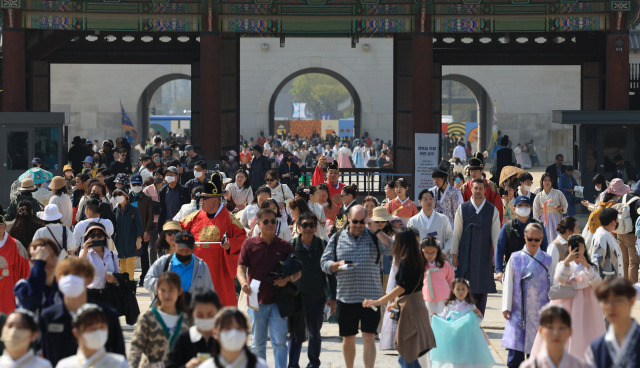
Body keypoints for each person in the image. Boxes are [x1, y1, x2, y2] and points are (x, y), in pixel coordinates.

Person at [320, 205, 392, 368]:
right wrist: (337, 264)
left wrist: (376, 229)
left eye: (362, 221)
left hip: (371, 298)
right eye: (355, 221)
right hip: (346, 297)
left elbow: (393, 248)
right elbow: (324, 262)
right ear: (348, 219)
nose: (358, 225)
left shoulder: (374, 237)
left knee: (368, 337)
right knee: (348, 337)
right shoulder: (337, 237)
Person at [363, 229, 436, 368]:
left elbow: (402, 287)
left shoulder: (406, 260)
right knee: (410, 355)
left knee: (405, 354)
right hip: (416, 305)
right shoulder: (418, 258)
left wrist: (379, 301)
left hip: (409, 310)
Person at [236, 208, 300, 368]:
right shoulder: (249, 244)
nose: (270, 224)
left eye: (273, 221)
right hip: (255, 297)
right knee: (258, 343)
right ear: (258, 224)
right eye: (266, 221)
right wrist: (243, 282)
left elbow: (298, 270)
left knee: (279, 341)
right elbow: (241, 268)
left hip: (279, 299)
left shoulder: (284, 246)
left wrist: (287, 279)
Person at [38, 258, 125, 366]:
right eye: (65, 274)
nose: (70, 278)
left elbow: (118, 353)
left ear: (89, 279)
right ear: (58, 279)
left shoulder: (106, 315)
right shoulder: (48, 316)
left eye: (77, 274)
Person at [530, 235, 605, 358]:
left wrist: (586, 266)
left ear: (584, 249)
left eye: (579, 246)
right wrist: (566, 262)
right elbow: (559, 279)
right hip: (565, 303)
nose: (577, 249)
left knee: (586, 331)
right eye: (573, 246)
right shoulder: (563, 264)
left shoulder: (591, 266)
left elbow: (597, 284)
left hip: (586, 305)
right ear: (569, 249)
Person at [181, 173, 247, 306]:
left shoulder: (229, 218)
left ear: (216, 200)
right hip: (197, 271)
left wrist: (230, 246)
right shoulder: (193, 217)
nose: (201, 200)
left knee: (222, 309)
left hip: (220, 271)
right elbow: (178, 231)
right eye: (201, 197)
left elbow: (242, 237)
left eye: (205, 198)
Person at [288, 211, 337, 368]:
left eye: (311, 225)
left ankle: (313, 364)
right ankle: (293, 364)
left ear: (316, 227)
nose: (308, 228)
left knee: (315, 334)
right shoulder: (291, 246)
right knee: (295, 335)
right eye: (305, 225)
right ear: (298, 227)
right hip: (296, 298)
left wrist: (332, 297)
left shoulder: (322, 244)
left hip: (317, 297)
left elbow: (330, 273)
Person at [501, 223, 552, 368]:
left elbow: (553, 284)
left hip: (540, 312)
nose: (533, 243)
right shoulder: (515, 258)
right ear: (525, 237)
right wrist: (506, 306)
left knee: (536, 356)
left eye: (537, 240)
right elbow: (508, 282)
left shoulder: (548, 260)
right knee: (514, 357)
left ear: (542, 239)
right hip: (517, 312)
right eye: (530, 239)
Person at [451, 179, 500, 315]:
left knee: (482, 288)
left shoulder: (492, 210)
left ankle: (478, 319)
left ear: (485, 190)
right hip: (465, 254)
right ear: (471, 190)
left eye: (480, 188)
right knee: (464, 288)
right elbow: (457, 233)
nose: (478, 191)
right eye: (475, 188)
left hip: (484, 254)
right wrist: (454, 254)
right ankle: (464, 317)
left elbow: (496, 235)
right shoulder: (463, 208)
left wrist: (496, 255)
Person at [130, 272, 191, 367]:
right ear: (157, 290)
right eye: (163, 290)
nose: (167, 295)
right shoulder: (148, 317)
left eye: (171, 290)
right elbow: (136, 349)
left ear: (180, 291)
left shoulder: (187, 319)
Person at [429, 278, 494, 368]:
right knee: (453, 355)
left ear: (467, 291)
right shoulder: (449, 304)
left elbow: (476, 320)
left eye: (463, 289)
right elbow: (443, 316)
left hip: (466, 335)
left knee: (466, 354)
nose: (461, 292)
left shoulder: (470, 305)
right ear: (453, 290)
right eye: (458, 289)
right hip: (453, 335)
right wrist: (437, 316)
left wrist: (478, 314)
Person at [144, 231, 214, 301]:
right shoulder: (163, 262)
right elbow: (147, 281)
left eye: (187, 250)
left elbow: (209, 291)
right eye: (181, 249)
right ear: (174, 245)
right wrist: (163, 285)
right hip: (168, 307)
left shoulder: (201, 266)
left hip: (191, 308)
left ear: (194, 247)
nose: (184, 253)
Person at [584, 278, 639, 367]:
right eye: (605, 302)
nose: (611, 307)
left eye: (617, 300)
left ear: (631, 301)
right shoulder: (596, 348)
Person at [55, 304, 129, 368]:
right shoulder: (65, 365)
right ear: (76, 333)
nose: (98, 332)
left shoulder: (118, 363)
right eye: (92, 329)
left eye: (101, 327)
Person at [495, 196, 549, 283]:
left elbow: (544, 247)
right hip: (513, 270)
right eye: (520, 206)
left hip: (534, 271)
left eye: (526, 205)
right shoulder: (508, 227)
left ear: (531, 208)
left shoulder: (538, 226)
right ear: (514, 209)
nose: (523, 208)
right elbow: (500, 249)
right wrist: (499, 271)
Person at [520, 306, 591, 368]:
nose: (556, 333)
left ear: (570, 331)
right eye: (550, 328)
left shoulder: (580, 365)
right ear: (540, 331)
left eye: (561, 328)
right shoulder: (528, 366)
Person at [165, 290, 222, 368]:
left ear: (218, 313)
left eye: (210, 315)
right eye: (200, 315)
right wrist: (187, 366)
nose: (205, 319)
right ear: (192, 313)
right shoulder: (183, 339)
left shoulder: (224, 338)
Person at [199, 307, 269, 368]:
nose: (234, 333)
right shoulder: (206, 366)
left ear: (246, 332)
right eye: (228, 328)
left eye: (239, 328)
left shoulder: (260, 366)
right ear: (215, 333)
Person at [14, 238, 62, 315]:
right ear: (33, 262)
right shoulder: (22, 285)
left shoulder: (62, 288)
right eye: (43, 257)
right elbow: (32, 300)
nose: (49, 261)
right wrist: (39, 263)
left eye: (52, 256)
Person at [78, 222, 120, 305]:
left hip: (109, 296)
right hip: (91, 296)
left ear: (104, 237)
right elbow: (77, 271)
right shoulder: (84, 254)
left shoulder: (112, 255)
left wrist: (115, 280)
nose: (96, 238)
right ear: (88, 238)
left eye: (99, 235)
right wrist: (84, 251)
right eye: (92, 235)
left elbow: (119, 276)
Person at [407, 189, 453, 255]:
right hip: (420, 258)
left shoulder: (443, 219)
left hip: (440, 257)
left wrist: (444, 252)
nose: (429, 201)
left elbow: (450, 238)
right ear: (419, 202)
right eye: (425, 199)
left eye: (431, 199)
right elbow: (409, 241)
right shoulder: (413, 221)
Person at [0, 214, 30, 314]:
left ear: (4, 226)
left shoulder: (15, 245)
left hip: (9, 294)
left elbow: (25, 271)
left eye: (0, 226)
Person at [111, 189, 143, 281]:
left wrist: (139, 239)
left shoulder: (134, 209)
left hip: (131, 239)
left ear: (125, 195)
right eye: (116, 195)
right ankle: (123, 284)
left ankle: (130, 283)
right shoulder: (116, 210)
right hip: (120, 240)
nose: (118, 196)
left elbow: (139, 225)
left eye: (120, 194)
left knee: (130, 262)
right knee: (122, 263)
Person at [461, 154, 504, 220]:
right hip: (469, 221)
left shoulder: (491, 186)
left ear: (482, 171)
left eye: (476, 171)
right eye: (471, 171)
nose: (473, 173)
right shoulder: (464, 187)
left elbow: (497, 206)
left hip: (487, 220)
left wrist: (496, 222)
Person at [129, 174, 154, 283]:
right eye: (134, 184)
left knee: (144, 255)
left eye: (139, 184)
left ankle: (144, 277)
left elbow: (150, 216)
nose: (136, 186)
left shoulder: (147, 198)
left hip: (142, 230)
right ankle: (129, 277)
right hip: (129, 231)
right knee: (129, 255)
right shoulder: (126, 197)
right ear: (130, 184)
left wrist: (147, 231)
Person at [420, 237, 455, 316]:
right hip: (426, 298)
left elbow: (451, 280)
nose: (430, 255)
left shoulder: (444, 264)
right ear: (422, 251)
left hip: (443, 298)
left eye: (433, 252)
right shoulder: (420, 265)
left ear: (437, 251)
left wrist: (453, 295)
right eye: (427, 252)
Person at [590, 207, 624, 279]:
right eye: (617, 219)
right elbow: (596, 260)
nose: (617, 221)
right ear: (613, 222)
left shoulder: (606, 233)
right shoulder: (601, 236)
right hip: (607, 282)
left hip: (613, 282)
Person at [533, 173, 568, 241]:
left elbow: (565, 206)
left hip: (557, 219)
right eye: (545, 180)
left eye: (549, 180)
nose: (547, 182)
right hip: (544, 220)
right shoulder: (538, 196)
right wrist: (537, 225)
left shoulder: (558, 193)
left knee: (558, 239)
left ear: (552, 182)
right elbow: (536, 212)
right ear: (542, 182)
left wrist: (560, 208)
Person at [430, 160, 463, 229]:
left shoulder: (456, 193)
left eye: (438, 179)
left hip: (451, 229)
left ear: (444, 178)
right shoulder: (431, 192)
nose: (435, 181)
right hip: (435, 229)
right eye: (434, 179)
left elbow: (460, 213)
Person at [158, 166, 191, 232]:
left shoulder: (184, 190)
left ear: (177, 177)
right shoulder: (163, 191)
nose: (169, 177)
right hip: (167, 224)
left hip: (181, 225)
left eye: (171, 175)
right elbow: (162, 210)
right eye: (167, 175)